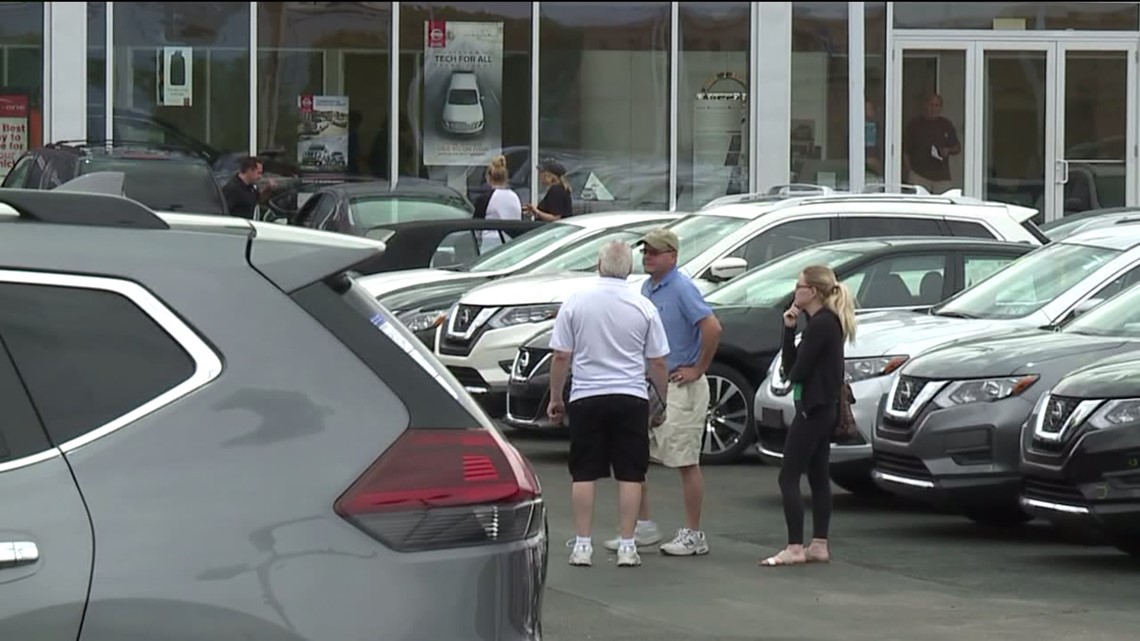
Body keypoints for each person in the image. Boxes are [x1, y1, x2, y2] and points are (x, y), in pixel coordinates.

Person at [548, 241, 671, 569]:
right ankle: (628, 545)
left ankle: (583, 544)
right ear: (629, 268)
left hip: (587, 395)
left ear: (599, 265)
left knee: (583, 472)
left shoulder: (576, 301)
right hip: (630, 395)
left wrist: (556, 397)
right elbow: (657, 361)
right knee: (631, 473)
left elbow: (561, 355)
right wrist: (662, 400)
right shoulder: (643, 306)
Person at [606, 228, 722, 557]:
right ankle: (643, 526)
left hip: (681, 384)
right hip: (652, 383)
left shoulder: (683, 288)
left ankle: (694, 533)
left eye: (655, 252)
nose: (648, 257)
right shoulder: (647, 288)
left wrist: (698, 368)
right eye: (645, 252)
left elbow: (712, 327)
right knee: (636, 454)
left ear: (673, 256)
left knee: (685, 459)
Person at [760, 265, 856, 567]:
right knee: (817, 474)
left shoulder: (822, 325)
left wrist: (793, 343)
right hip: (820, 407)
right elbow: (794, 368)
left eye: (799, 285)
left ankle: (794, 546)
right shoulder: (821, 323)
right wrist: (789, 329)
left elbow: (796, 371)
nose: (795, 290)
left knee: (788, 475)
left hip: (814, 409)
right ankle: (818, 544)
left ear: (812, 291)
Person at [902, 93, 960, 194]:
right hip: (919, 175)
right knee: (919, 207)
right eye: (931, 104)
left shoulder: (946, 125)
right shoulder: (914, 124)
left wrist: (948, 150)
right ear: (925, 105)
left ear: (941, 108)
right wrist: (910, 172)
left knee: (943, 206)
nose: (933, 108)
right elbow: (905, 151)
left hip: (942, 176)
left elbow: (957, 147)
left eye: (937, 105)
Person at [472, 155, 522, 251]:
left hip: (490, 245)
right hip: (512, 244)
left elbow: (476, 226)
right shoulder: (515, 197)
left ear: (488, 177)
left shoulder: (485, 198)